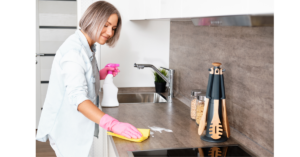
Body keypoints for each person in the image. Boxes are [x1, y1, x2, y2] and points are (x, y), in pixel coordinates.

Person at [35, 1, 142, 157]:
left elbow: (79, 78)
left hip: (75, 125)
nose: (110, 33)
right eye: (106, 25)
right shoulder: (74, 52)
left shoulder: (87, 45)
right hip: (68, 128)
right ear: (93, 19)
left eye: (113, 28)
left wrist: (100, 74)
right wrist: (114, 124)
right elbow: (78, 98)